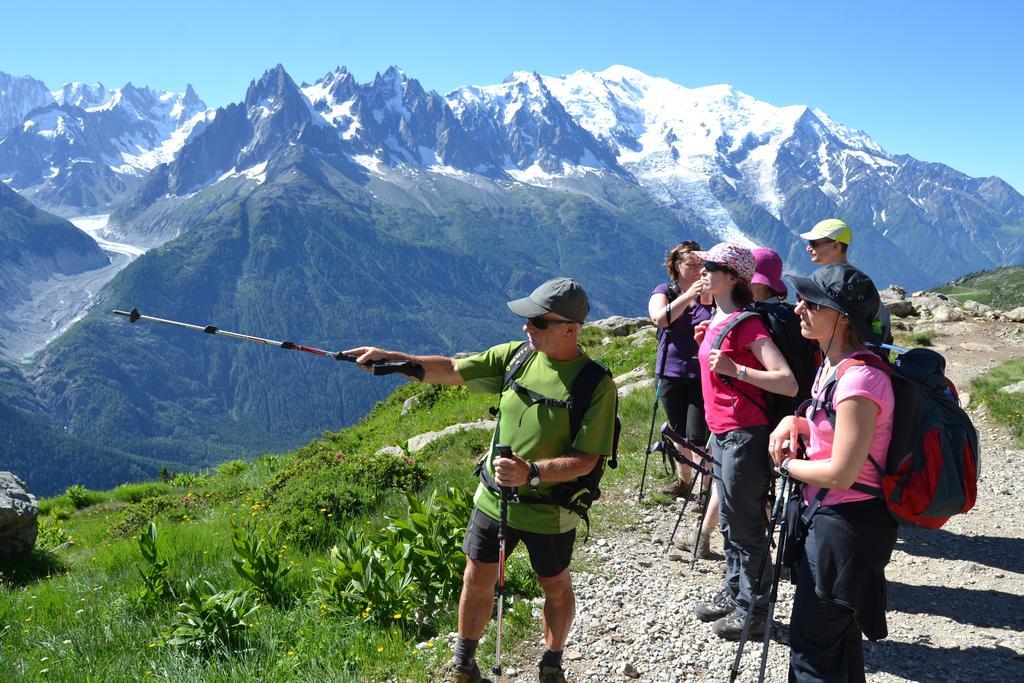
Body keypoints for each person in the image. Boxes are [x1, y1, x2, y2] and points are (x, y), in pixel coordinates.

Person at [345, 277, 616, 683]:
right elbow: (452, 369)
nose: (527, 328)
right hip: (494, 498)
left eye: (538, 322)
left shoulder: (595, 383)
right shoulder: (517, 357)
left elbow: (587, 459)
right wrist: (393, 359)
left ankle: (552, 662)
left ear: (570, 329)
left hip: (551, 509)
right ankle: (463, 664)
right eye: (527, 320)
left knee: (554, 584)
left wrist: (534, 472)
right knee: (477, 577)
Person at [769, 263, 898, 682]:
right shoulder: (834, 366)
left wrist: (786, 465)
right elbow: (832, 429)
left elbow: (842, 472)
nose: (798, 308)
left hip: (848, 526)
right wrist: (799, 422)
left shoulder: (860, 379)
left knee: (810, 650)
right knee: (836, 644)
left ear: (842, 316)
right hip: (831, 519)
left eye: (811, 302)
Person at [690, 243, 798, 640]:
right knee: (732, 522)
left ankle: (753, 609)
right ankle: (735, 592)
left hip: (742, 434)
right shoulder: (718, 319)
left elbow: (787, 381)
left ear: (733, 276)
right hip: (722, 434)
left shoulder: (748, 324)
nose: (703, 271)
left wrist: (737, 369)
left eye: (711, 266)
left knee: (746, 524)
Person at [646, 241, 712, 499]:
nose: (697, 269)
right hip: (670, 371)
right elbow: (659, 319)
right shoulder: (667, 291)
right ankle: (683, 481)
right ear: (676, 265)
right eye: (691, 264)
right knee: (677, 432)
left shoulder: (712, 293)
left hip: (702, 374)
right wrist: (689, 296)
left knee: (698, 435)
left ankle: (704, 489)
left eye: (701, 264)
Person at [800, 218, 892, 345]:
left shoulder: (820, 282)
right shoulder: (860, 281)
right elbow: (879, 321)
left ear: (836, 245)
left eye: (814, 243)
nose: (808, 248)